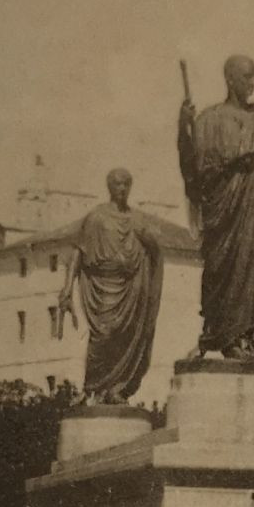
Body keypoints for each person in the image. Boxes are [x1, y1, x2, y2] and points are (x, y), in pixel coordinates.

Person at [177, 56, 254, 362]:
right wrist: (184, 130)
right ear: (230, 79)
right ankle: (224, 335)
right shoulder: (208, 120)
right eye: (246, 78)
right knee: (221, 271)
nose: (252, 84)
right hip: (224, 214)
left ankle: (244, 338)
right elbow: (194, 173)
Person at [55, 168, 165, 404]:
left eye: (126, 184)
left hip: (131, 286)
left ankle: (116, 389)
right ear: (109, 187)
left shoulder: (136, 219)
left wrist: (150, 242)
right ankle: (91, 387)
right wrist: (66, 289)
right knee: (104, 334)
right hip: (103, 285)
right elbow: (79, 252)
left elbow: (154, 251)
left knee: (126, 336)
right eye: (117, 184)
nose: (122, 189)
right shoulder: (96, 217)